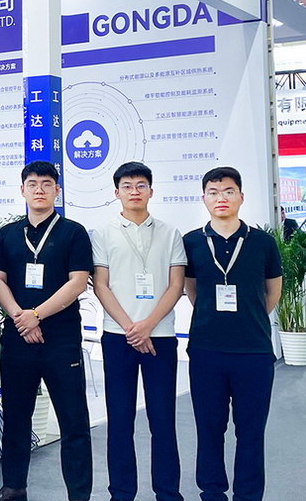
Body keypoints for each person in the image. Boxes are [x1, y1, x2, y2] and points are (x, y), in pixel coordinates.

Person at [0, 161, 93, 501]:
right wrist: (21, 317)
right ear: (22, 190)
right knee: (16, 418)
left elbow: (78, 282)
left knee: (73, 422)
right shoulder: (8, 234)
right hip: (18, 339)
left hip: (60, 340)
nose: (39, 190)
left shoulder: (73, 232)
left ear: (57, 190)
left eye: (47, 184)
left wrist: (36, 315)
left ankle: (79, 494)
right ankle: (13, 487)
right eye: (32, 184)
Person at [184, 167, 282, 501]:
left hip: (253, 352)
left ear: (241, 196)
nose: (221, 198)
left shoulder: (263, 243)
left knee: (251, 431)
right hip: (206, 351)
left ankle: (248, 495)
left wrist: (246, 318)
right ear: (204, 199)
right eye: (213, 192)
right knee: (209, 429)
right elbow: (192, 290)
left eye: (228, 191)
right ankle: (212, 492)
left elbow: (272, 292)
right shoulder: (192, 242)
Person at [91, 162, 186, 501]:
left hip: (160, 336)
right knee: (119, 421)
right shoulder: (102, 233)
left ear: (151, 191)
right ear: (116, 192)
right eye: (127, 186)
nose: (134, 191)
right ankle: (121, 493)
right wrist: (131, 328)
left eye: (141, 185)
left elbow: (176, 286)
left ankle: (168, 493)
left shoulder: (170, 233)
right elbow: (101, 285)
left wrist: (147, 326)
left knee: (163, 421)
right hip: (118, 337)